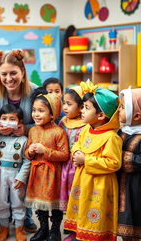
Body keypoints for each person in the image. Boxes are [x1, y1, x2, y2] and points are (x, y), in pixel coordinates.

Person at [0, 49, 37, 233]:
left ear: (22, 71)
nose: (9, 78)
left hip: (24, 147)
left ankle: (26, 217)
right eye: (4, 74)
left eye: (13, 73)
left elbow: (46, 121)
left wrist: (27, 129)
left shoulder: (34, 92)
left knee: (24, 182)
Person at [64, 80, 122, 241]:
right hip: (83, 180)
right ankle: (80, 233)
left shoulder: (111, 137)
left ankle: (94, 236)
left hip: (100, 185)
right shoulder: (86, 129)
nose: (82, 110)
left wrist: (86, 160)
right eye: (82, 107)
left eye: (86, 108)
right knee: (82, 207)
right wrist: (75, 152)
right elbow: (77, 144)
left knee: (95, 211)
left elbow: (114, 163)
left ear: (101, 115)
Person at [25, 88, 69, 241]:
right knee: (40, 204)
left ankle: (55, 230)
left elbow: (64, 155)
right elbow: (27, 153)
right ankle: (43, 228)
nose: (36, 114)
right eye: (34, 110)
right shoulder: (32, 131)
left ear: (53, 113)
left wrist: (46, 151)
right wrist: (29, 151)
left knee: (53, 204)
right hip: (37, 173)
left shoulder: (58, 132)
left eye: (41, 111)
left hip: (53, 174)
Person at [0, 104, 31, 241]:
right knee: (1, 201)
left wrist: (22, 177)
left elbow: (27, 161)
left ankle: (19, 227)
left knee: (18, 202)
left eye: (12, 119)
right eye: (4, 118)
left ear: (20, 122)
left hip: (17, 175)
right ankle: (3, 227)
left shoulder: (23, 139)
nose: (7, 121)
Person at [58, 86, 85, 241]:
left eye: (69, 104)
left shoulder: (86, 124)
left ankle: (80, 231)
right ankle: (72, 228)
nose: (65, 107)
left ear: (81, 107)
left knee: (79, 199)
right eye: (64, 103)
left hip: (78, 168)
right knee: (69, 200)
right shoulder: (63, 122)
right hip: (65, 167)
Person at [117, 88, 141, 241]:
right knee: (125, 222)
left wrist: (124, 157)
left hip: (137, 188)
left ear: (137, 115)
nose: (118, 110)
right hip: (122, 186)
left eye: (123, 107)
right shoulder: (122, 132)